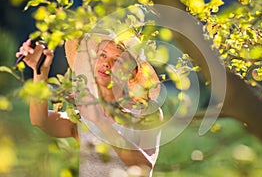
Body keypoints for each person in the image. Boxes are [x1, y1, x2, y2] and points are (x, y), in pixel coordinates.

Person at [16, 33, 163, 177]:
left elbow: (145, 167)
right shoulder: (84, 110)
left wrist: (100, 121)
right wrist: (40, 71)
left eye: (117, 60)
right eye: (102, 55)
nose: (107, 63)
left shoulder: (147, 111)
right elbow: (40, 120)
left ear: (132, 72)